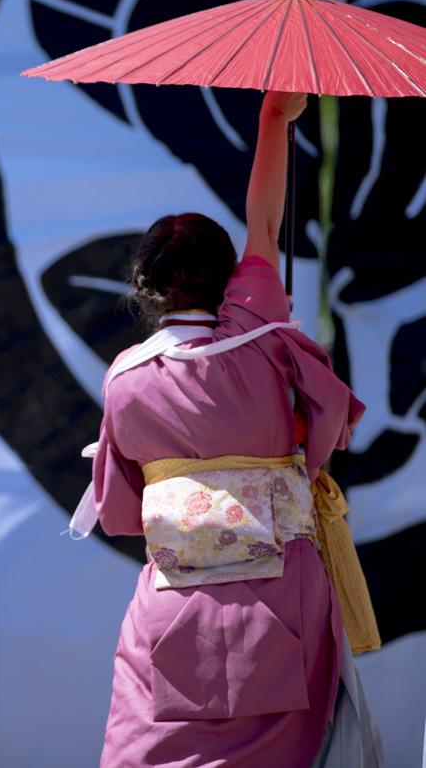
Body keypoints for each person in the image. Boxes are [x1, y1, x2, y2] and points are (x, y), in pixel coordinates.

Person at [84, 92, 382, 767]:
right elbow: (265, 223)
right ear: (231, 280)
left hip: (177, 597)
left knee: (154, 745)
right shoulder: (257, 330)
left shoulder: (126, 378)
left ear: (144, 285)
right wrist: (274, 118)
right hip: (283, 588)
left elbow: (122, 512)